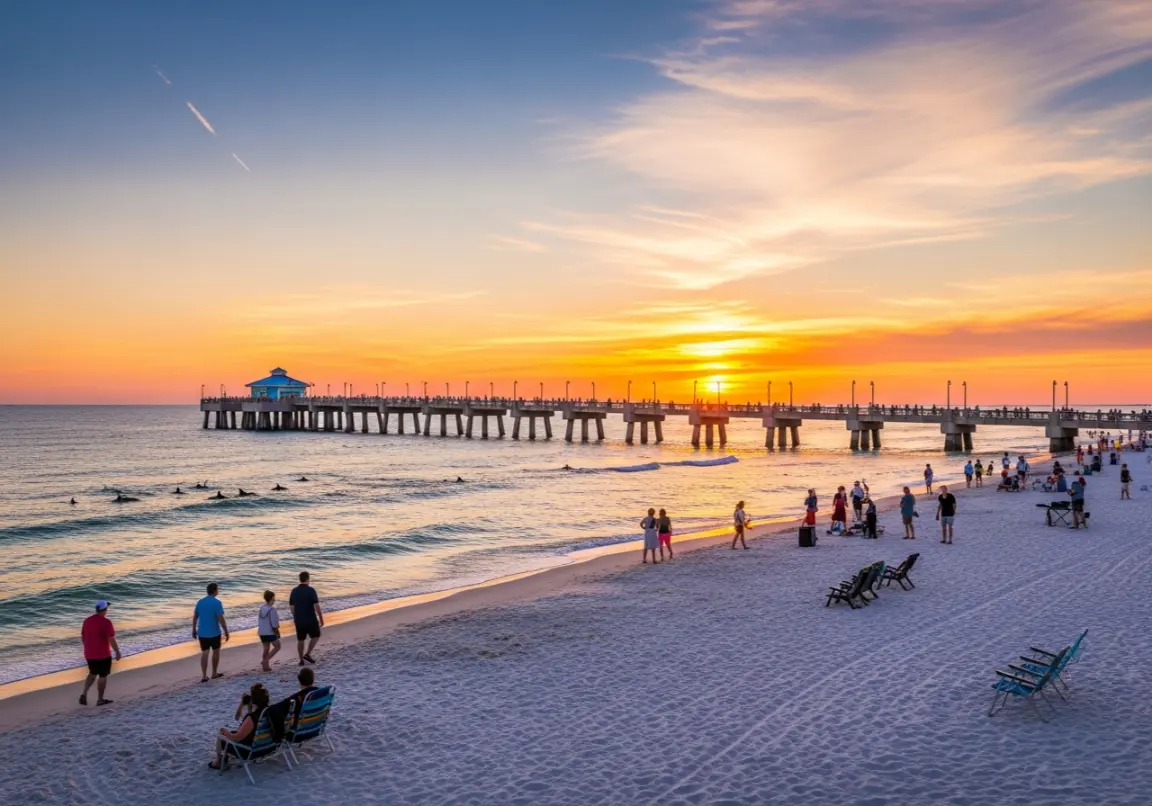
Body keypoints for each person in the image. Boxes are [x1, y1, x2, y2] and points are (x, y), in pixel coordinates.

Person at [209, 683, 270, 771]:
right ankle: (224, 757)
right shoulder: (270, 711)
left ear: (253, 699)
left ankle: (219, 762)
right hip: (266, 745)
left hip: (250, 751)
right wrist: (243, 705)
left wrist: (225, 732)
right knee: (234, 732)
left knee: (222, 734)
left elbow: (236, 738)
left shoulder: (252, 717)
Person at [79, 600, 121, 706]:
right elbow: (111, 639)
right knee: (102, 676)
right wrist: (117, 651)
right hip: (103, 655)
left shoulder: (87, 621)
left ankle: (84, 694)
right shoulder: (106, 622)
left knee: (92, 674)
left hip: (89, 654)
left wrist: (88, 648)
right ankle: (100, 699)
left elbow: (83, 637)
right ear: (105, 609)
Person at [193, 582, 229, 682]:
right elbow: (221, 618)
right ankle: (214, 673)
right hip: (214, 632)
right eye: (218, 589)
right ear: (214, 591)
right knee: (216, 652)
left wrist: (193, 630)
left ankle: (204, 676)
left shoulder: (200, 602)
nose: (218, 591)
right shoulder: (217, 603)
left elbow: (195, 616)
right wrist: (226, 631)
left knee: (205, 653)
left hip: (202, 632)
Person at [289, 571, 324, 665]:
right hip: (310, 618)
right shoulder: (311, 590)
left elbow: (292, 608)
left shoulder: (294, 591)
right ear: (308, 579)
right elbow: (317, 606)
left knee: (300, 640)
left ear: (300, 579)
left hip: (299, 620)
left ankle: (301, 660)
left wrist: (296, 617)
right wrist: (321, 619)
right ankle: (307, 654)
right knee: (316, 636)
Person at [257, 590, 282, 672]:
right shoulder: (272, 610)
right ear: (271, 598)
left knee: (266, 649)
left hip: (262, 632)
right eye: (274, 598)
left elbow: (260, 621)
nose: (274, 600)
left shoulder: (261, 609)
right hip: (270, 632)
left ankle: (266, 667)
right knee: (277, 646)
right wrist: (277, 632)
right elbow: (274, 624)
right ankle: (265, 662)